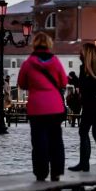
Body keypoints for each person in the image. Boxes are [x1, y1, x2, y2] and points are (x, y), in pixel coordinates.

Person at [17, 32, 68, 182]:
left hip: (37, 107)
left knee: (39, 141)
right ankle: (56, 172)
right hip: (54, 107)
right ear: (49, 44)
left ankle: (41, 172)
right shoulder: (56, 61)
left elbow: (21, 83)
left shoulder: (28, 63)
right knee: (56, 140)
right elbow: (63, 82)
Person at [68, 42, 96, 172]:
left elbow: (91, 87)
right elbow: (85, 86)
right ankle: (85, 163)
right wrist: (76, 81)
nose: (79, 54)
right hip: (89, 105)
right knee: (85, 132)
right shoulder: (87, 67)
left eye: (81, 52)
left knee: (95, 133)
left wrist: (76, 80)